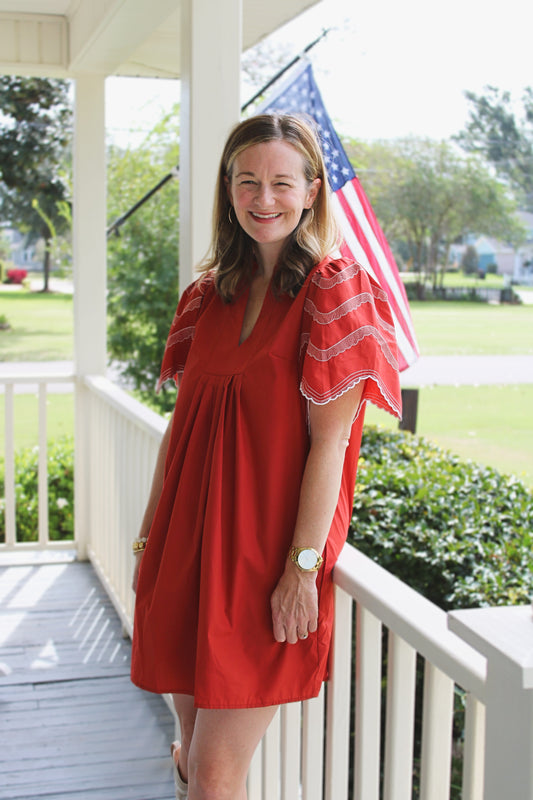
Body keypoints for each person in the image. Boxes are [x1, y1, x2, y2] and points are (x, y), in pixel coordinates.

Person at [131, 113, 401, 800]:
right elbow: (181, 429)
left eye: (282, 182)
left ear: (311, 190)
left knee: (217, 773)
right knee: (194, 756)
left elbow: (331, 444)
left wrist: (301, 570)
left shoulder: (334, 292)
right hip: (184, 552)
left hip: (260, 566)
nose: (263, 198)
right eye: (247, 181)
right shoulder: (206, 294)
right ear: (227, 189)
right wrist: (148, 539)